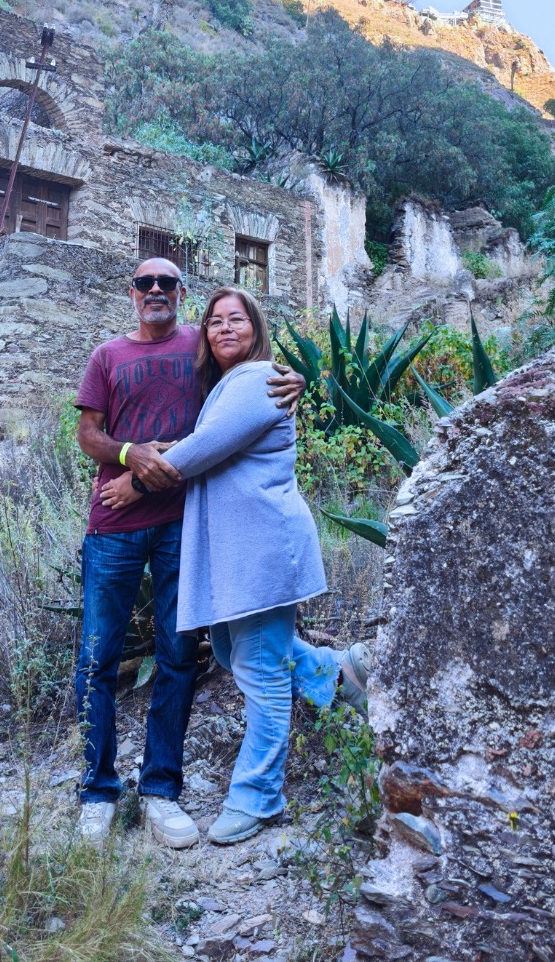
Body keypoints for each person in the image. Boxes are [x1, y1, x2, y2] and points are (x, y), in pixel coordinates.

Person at [101, 286, 371, 845]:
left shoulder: (258, 380)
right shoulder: (233, 385)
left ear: (257, 327)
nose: (225, 328)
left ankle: (258, 797)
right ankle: (337, 672)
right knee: (231, 652)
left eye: (237, 319)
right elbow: (206, 438)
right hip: (239, 554)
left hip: (261, 548)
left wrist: (134, 482)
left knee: (261, 673)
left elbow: (202, 449)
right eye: (215, 321)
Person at [73, 258, 305, 849]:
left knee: (179, 657)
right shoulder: (107, 356)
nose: (155, 290)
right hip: (114, 524)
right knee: (98, 659)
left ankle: (160, 789)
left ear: (181, 293)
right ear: (132, 292)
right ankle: (97, 793)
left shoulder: (202, 353)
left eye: (167, 283)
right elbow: (88, 435)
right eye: (145, 283)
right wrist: (128, 457)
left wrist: (294, 379)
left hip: (182, 526)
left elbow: (235, 406)